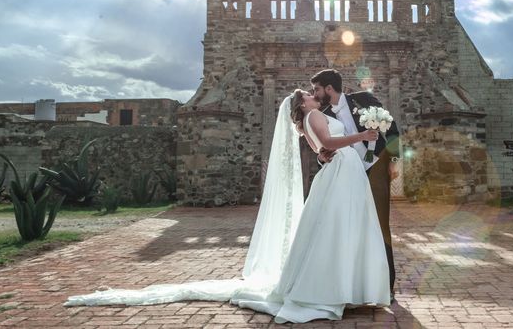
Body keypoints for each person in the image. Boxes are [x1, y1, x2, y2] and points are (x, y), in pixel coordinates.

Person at [65, 90, 390, 323]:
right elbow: (330, 144)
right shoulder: (315, 115)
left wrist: (325, 153)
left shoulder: (302, 124)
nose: (311, 94)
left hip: (336, 172)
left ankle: (336, 285)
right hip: (342, 173)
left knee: (333, 228)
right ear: (302, 103)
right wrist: (362, 135)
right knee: (342, 227)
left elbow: (320, 152)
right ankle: (337, 287)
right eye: (306, 93)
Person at [310, 68, 399, 301]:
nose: (315, 93)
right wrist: (321, 159)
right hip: (348, 173)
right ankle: (358, 284)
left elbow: (392, 127)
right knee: (352, 226)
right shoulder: (324, 114)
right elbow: (322, 148)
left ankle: (386, 285)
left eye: (317, 89)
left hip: (376, 166)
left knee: (380, 224)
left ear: (329, 88)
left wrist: (394, 160)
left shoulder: (363, 99)